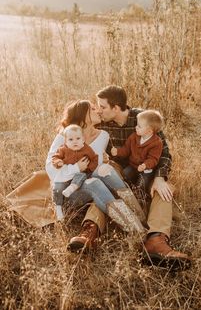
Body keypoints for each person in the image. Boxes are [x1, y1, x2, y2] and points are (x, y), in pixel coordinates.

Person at [73, 86, 190, 267]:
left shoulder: (143, 118)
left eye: (103, 107)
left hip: (145, 170)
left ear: (117, 108)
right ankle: (90, 231)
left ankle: (155, 241)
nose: (99, 110)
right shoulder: (101, 123)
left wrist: (160, 177)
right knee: (103, 181)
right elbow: (76, 129)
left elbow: (164, 152)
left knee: (164, 190)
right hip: (117, 169)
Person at [46, 99, 146, 251]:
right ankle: (135, 230)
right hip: (69, 191)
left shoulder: (103, 136)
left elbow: (95, 165)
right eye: (93, 109)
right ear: (82, 115)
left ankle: (140, 219)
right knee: (95, 183)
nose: (98, 110)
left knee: (106, 169)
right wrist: (75, 168)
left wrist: (103, 165)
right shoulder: (64, 137)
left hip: (87, 179)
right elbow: (50, 169)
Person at [52, 124, 99, 220]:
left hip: (80, 174)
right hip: (65, 175)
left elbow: (95, 159)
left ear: (83, 139)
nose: (75, 142)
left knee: (81, 175)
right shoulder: (63, 149)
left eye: (78, 138)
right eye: (71, 140)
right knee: (57, 188)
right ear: (65, 142)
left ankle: (72, 188)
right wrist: (58, 162)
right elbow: (55, 157)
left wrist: (90, 167)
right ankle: (58, 207)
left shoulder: (87, 149)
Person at [111, 109, 163, 195]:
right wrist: (117, 152)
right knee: (125, 174)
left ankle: (140, 196)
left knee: (143, 182)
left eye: (139, 126)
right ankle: (128, 190)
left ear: (149, 131)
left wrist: (145, 165)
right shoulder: (134, 136)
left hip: (146, 170)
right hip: (133, 166)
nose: (136, 127)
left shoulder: (156, 143)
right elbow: (126, 149)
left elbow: (153, 159)